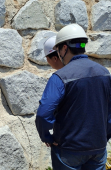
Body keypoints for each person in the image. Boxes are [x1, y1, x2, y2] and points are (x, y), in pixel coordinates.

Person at [35, 24, 111, 170]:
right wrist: (103, 137)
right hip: (98, 149)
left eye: (57, 50)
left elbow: (43, 113)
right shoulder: (105, 73)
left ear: (64, 48)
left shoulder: (60, 77)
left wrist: (47, 137)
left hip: (68, 151)